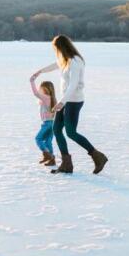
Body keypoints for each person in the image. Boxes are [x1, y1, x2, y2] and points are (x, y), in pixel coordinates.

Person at [33, 35, 108, 174]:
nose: (56, 51)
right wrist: (40, 72)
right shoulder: (65, 60)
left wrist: (62, 102)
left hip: (74, 101)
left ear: (62, 47)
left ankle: (97, 156)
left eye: (56, 48)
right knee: (56, 129)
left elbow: (73, 85)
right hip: (65, 100)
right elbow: (55, 64)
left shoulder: (75, 61)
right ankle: (66, 164)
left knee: (71, 132)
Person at [29, 75, 57, 166]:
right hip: (53, 123)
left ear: (45, 89)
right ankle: (52, 160)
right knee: (48, 141)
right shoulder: (53, 98)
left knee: (38, 138)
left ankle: (47, 155)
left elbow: (35, 93)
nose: (40, 90)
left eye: (41, 88)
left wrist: (32, 81)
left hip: (47, 123)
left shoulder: (45, 97)